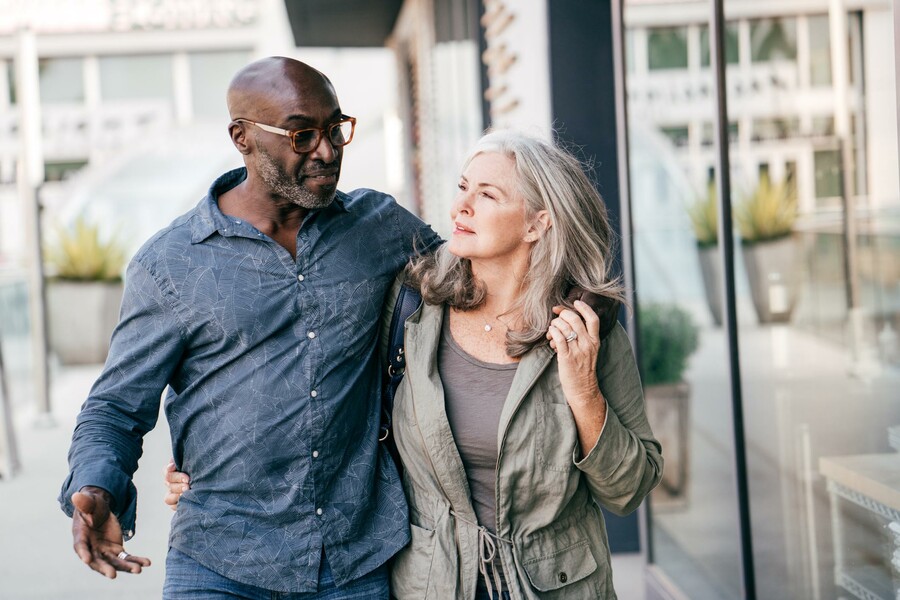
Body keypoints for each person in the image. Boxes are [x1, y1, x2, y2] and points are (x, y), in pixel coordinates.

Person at [169, 130, 663, 599]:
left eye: (488, 196)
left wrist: (583, 393)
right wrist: (213, 462)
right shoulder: (412, 311)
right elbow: (314, 382)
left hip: (556, 585)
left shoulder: (583, 334)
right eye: (464, 188)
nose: (461, 207)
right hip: (434, 583)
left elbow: (628, 491)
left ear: (538, 223)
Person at [58, 56, 440, 599]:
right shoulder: (171, 264)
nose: (327, 151)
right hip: (219, 562)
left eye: (336, 129)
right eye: (301, 135)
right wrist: (97, 485)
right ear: (242, 137)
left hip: (355, 559)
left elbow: (476, 283)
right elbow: (116, 406)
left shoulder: (379, 228)